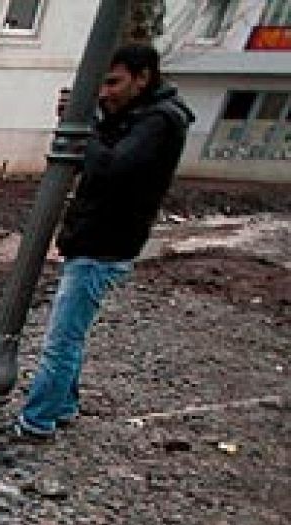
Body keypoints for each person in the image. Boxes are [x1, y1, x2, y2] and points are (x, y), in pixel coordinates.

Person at [14, 43, 194, 441]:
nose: (105, 93)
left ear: (142, 77)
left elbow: (111, 168)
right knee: (69, 336)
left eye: (113, 83)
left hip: (104, 246)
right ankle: (62, 406)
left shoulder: (160, 122)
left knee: (61, 341)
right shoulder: (138, 118)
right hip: (96, 242)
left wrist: (85, 126)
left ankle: (37, 421)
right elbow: (97, 163)